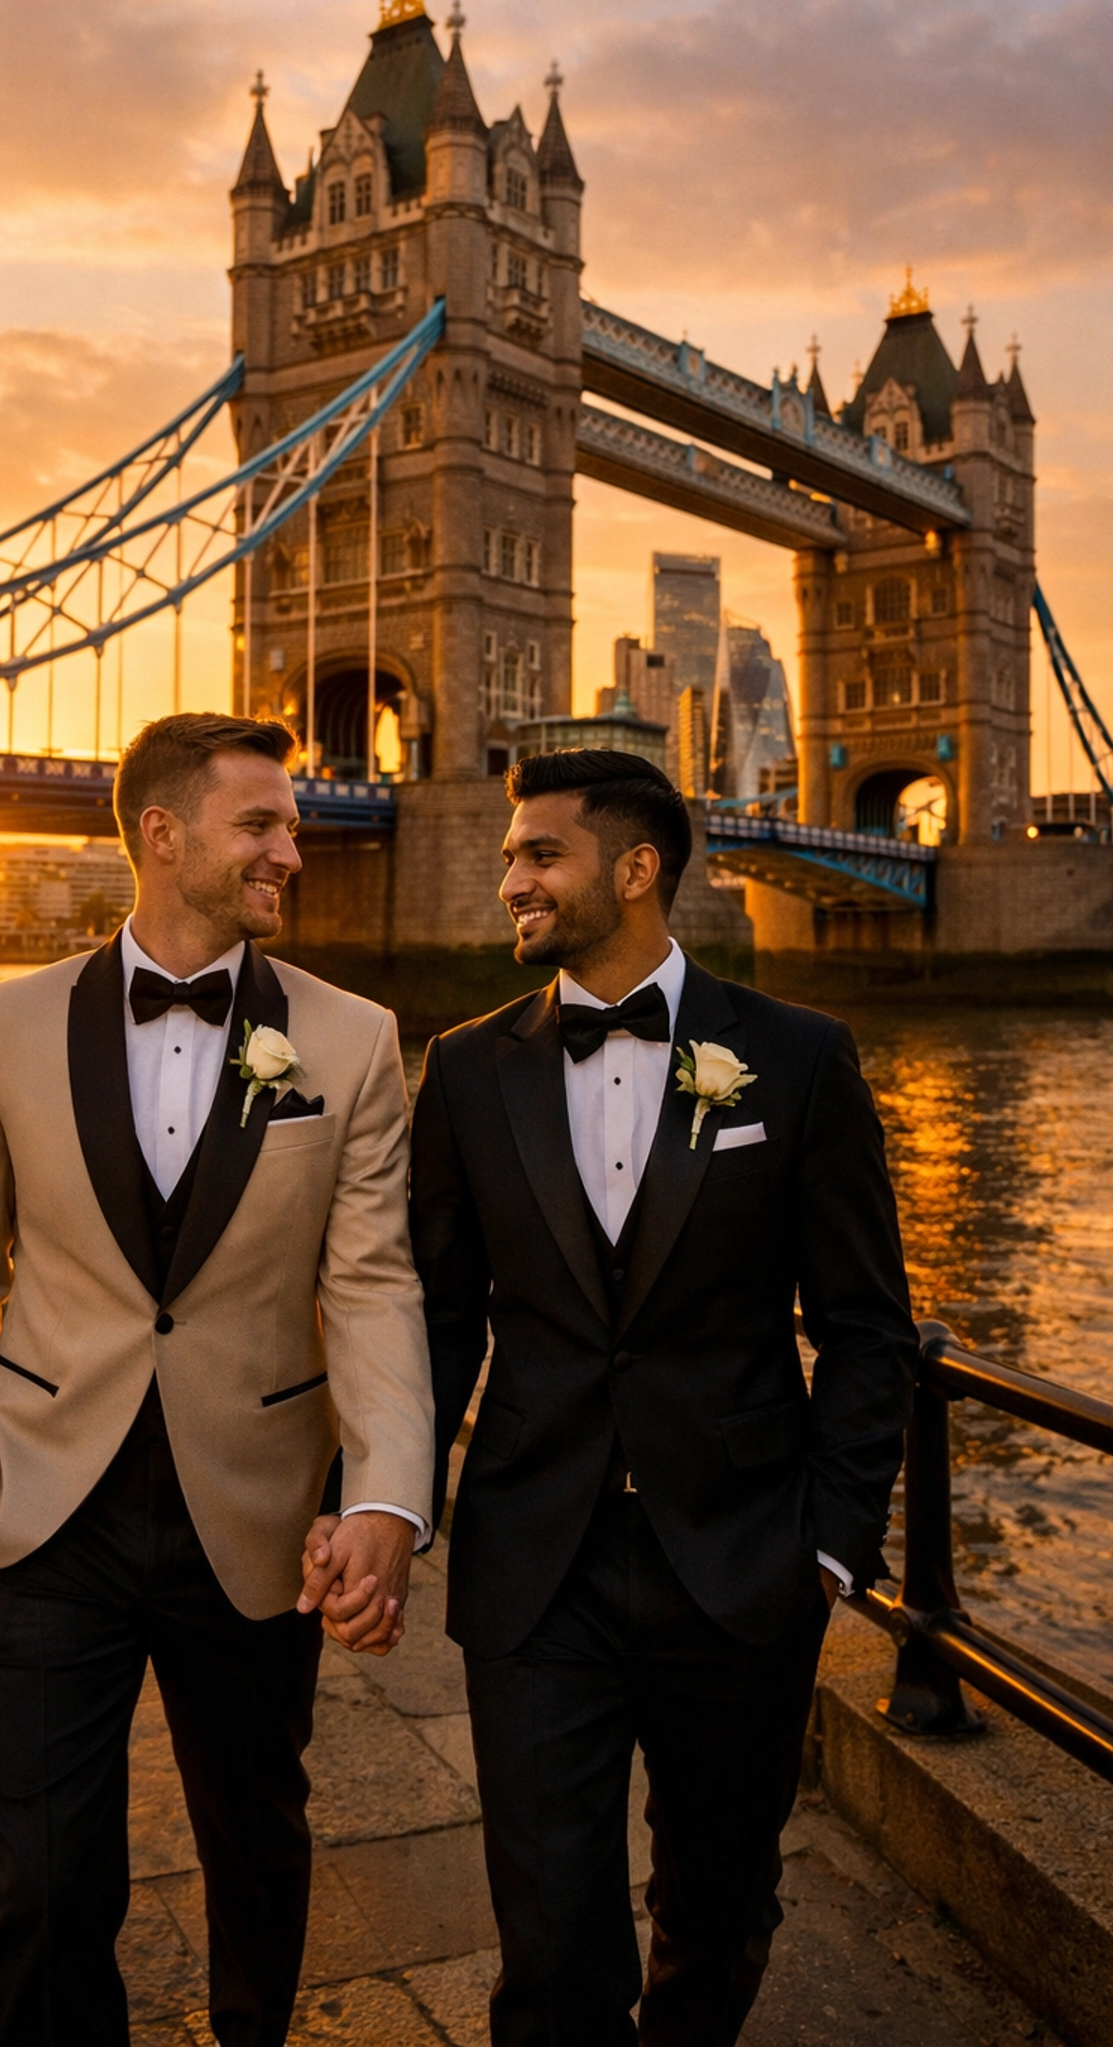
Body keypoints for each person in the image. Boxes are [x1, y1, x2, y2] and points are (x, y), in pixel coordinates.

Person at [0, 713, 435, 2047]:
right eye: (261, 824)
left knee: (257, 1844)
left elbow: (370, 1283)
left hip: (253, 1513)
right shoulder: (4, 1026)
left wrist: (386, 1496)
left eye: (295, 828)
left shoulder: (352, 1039)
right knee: (44, 1877)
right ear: (162, 834)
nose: (292, 853)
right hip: (33, 1506)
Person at [409, 748, 918, 2047]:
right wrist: (392, 1506)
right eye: (512, 852)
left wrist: (832, 1546)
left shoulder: (800, 1060)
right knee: (551, 1942)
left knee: (723, 1908)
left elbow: (865, 1330)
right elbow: (439, 1318)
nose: (509, 874)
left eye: (539, 854)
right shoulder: (468, 1070)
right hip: (537, 1568)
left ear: (635, 871)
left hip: (744, 1566)